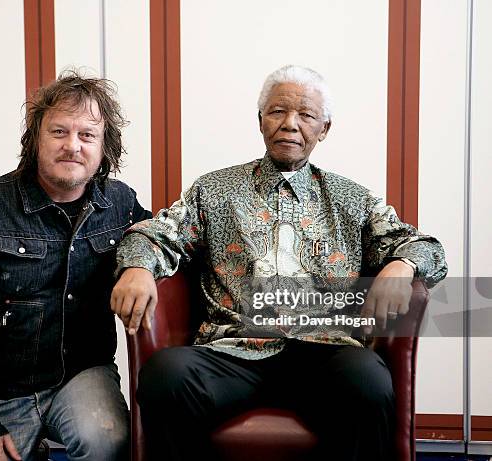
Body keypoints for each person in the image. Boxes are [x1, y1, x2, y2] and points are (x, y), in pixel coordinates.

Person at [111, 65, 448, 460]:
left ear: (324, 129)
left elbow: (428, 247)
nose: (290, 124)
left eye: (305, 115)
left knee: (369, 379)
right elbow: (156, 233)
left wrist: (401, 265)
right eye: (277, 112)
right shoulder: (214, 190)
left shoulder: (352, 199)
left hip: (324, 353)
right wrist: (137, 266)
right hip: (231, 352)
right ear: (260, 121)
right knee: (166, 375)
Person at [0, 70, 151, 461]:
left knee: (106, 441)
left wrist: (140, 265)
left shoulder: (121, 202)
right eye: (59, 132)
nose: (72, 147)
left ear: (104, 148)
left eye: (87, 135)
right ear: (36, 140)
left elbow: (162, 235)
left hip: (82, 375)